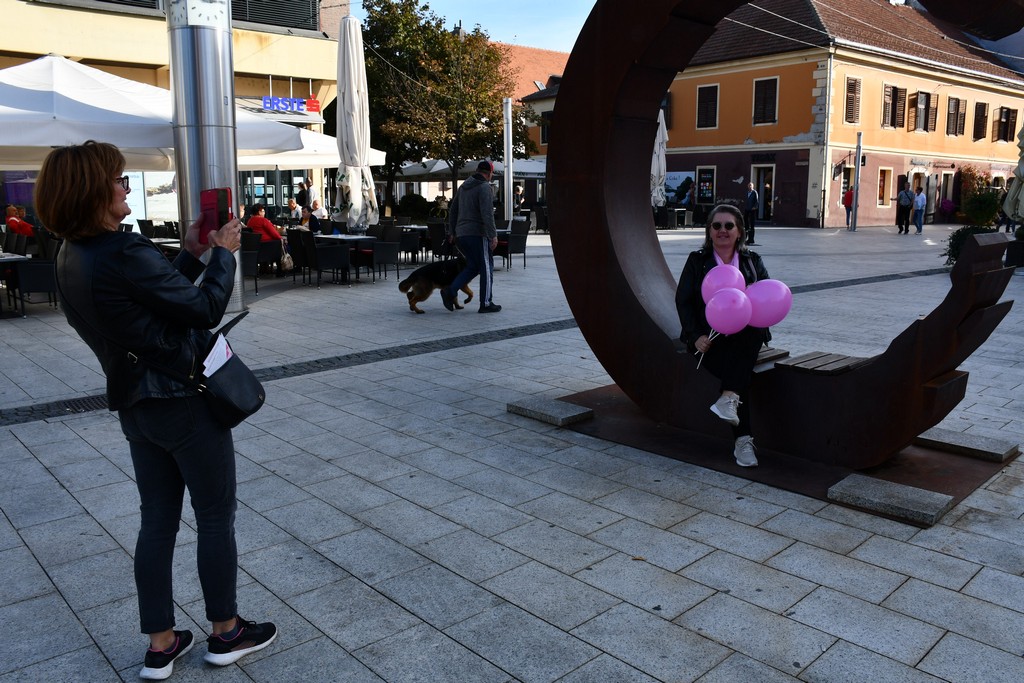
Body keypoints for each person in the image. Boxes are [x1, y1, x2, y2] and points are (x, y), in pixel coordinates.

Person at [34, 141, 277, 681]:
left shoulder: (71, 254)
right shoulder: (123, 249)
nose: (125, 187)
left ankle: (161, 642)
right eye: (118, 179)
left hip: (135, 405)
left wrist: (190, 254)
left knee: (157, 522)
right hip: (184, 403)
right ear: (95, 189)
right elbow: (204, 307)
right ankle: (227, 632)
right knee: (215, 515)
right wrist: (224, 254)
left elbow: (151, 299)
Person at [675, 204, 771, 468]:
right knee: (741, 373)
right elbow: (682, 300)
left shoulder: (752, 261)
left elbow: (764, 298)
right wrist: (694, 336)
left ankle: (732, 409)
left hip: (745, 338)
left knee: (750, 334)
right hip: (708, 342)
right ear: (709, 231)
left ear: (739, 231)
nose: (722, 231)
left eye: (729, 225)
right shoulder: (697, 260)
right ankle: (741, 437)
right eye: (716, 226)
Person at [440, 160, 501, 313]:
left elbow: (453, 210)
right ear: (489, 173)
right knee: (487, 268)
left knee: (473, 266)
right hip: (477, 234)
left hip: (461, 235)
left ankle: (450, 291)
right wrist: (493, 235)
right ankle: (486, 303)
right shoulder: (484, 187)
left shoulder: (463, 187)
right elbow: (487, 214)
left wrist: (452, 232)